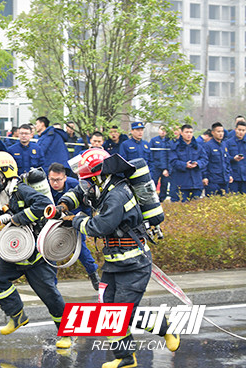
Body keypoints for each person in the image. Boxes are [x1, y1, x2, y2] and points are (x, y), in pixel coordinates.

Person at [58, 149, 179, 368]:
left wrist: (75, 220)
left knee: (125, 313)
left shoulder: (117, 194)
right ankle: (125, 359)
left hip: (134, 264)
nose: (85, 186)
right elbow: (80, 191)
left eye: (88, 181)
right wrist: (64, 204)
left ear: (99, 177)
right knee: (108, 312)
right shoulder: (101, 188)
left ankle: (165, 326)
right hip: (114, 263)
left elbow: (101, 226)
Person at [0, 152, 72, 349]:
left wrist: (18, 218)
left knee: (49, 295)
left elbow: (44, 204)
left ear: (4, 177)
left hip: (37, 253)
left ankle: (66, 333)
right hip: (16, 251)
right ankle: (17, 315)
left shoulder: (20, 190)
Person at [48, 163, 100, 291]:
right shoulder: (44, 188)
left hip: (74, 221)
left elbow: (86, 206)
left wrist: (86, 224)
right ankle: (51, 284)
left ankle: (94, 275)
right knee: (49, 251)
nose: (55, 183)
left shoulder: (76, 185)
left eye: (58, 180)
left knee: (81, 250)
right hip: (52, 224)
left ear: (65, 178)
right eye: (52, 180)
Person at [169, 124, 208, 202]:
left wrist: (198, 163)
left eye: (191, 132)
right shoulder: (176, 147)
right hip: (182, 183)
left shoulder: (198, 147)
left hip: (196, 183)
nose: (189, 134)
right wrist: (184, 165)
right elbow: (173, 161)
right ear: (182, 133)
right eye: (186, 132)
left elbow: (205, 159)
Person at [202, 122, 232, 196]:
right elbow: (205, 162)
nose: (221, 134)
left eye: (222, 131)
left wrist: (230, 174)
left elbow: (227, 161)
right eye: (218, 131)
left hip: (224, 180)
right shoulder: (208, 146)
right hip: (213, 181)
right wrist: (205, 177)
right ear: (213, 132)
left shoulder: (224, 145)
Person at [150, 126, 171, 202]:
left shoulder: (169, 141)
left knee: (164, 184)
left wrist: (167, 168)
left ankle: (162, 199)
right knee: (153, 182)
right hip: (156, 166)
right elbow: (150, 154)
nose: (163, 131)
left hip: (165, 166)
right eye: (161, 129)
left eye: (165, 130)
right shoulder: (154, 140)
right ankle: (153, 199)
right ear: (158, 130)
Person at [228, 120, 246, 194]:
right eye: (239, 130)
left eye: (243, 130)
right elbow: (224, 159)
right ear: (235, 130)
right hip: (233, 177)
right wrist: (233, 158)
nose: (241, 132)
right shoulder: (228, 143)